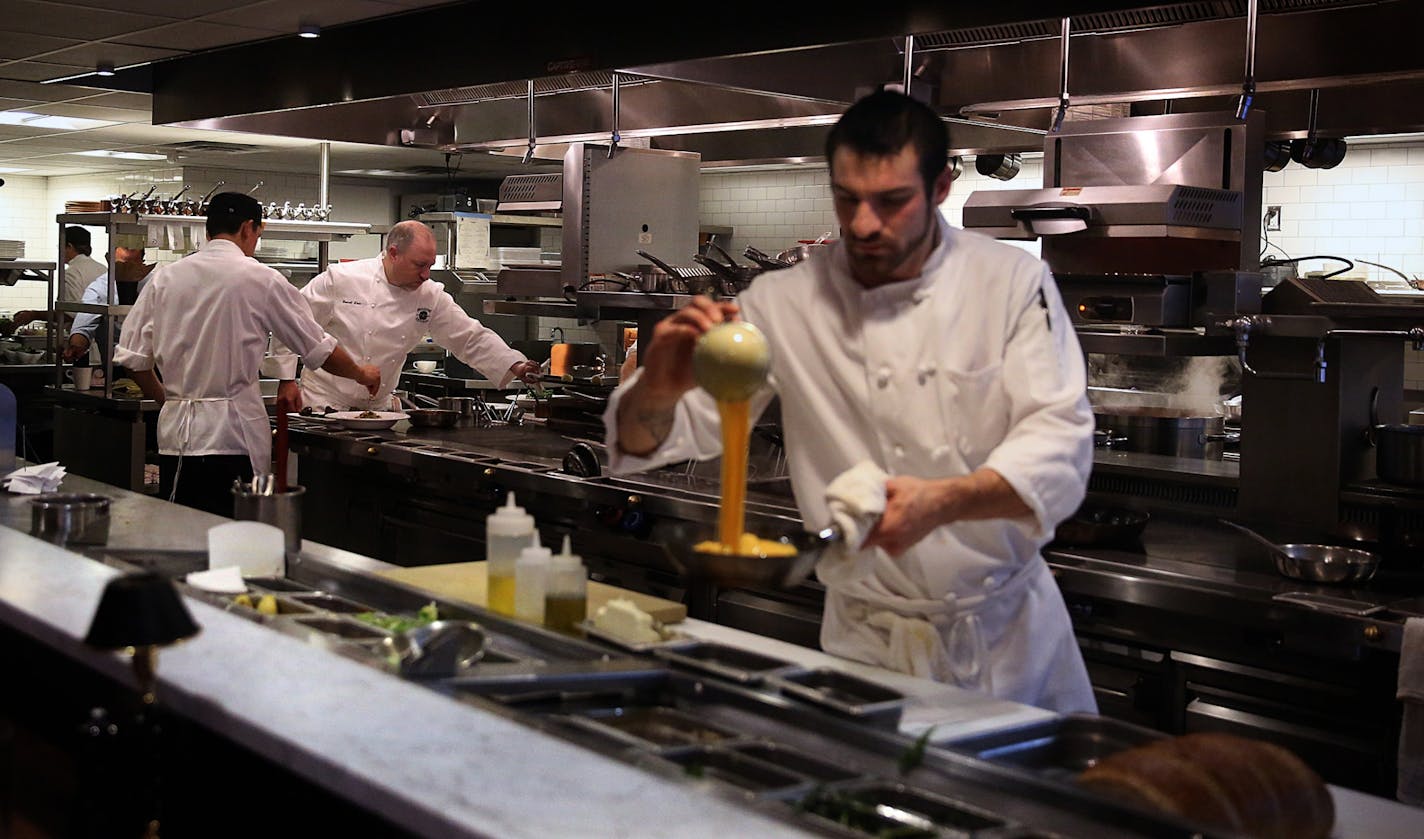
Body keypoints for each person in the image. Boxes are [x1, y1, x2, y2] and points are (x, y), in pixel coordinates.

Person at [604, 89, 1096, 713]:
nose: (863, 224)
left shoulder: (1011, 282)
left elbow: (1058, 442)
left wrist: (942, 501)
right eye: (847, 199)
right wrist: (659, 385)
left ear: (941, 187)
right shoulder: (782, 303)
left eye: (892, 202)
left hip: (1006, 648)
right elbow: (655, 442)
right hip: (864, 644)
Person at [115, 192, 382, 516]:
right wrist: (360, 373)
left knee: (184, 531)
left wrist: (169, 402)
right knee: (232, 536)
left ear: (208, 231)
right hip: (233, 436)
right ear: (247, 228)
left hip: (175, 436)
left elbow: (132, 360)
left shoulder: (164, 277)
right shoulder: (260, 278)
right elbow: (318, 347)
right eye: (258, 233)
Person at [265, 219, 541, 415]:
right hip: (325, 404)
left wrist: (514, 363)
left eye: (430, 266)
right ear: (393, 254)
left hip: (380, 412)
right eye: (419, 265)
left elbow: (469, 336)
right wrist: (286, 379)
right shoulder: (342, 279)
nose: (426, 275)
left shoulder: (429, 295)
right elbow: (291, 322)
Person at [64, 246, 155, 364]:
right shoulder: (100, 287)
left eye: (130, 264)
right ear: (110, 260)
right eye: (120, 266)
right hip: (115, 366)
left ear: (142, 260)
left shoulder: (157, 283)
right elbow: (83, 324)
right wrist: (76, 346)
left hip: (157, 362)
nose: (126, 271)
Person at [10, 226, 110, 327]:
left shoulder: (72, 272)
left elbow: (70, 314)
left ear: (69, 247)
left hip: (83, 336)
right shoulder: (103, 269)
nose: (60, 252)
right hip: (103, 333)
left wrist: (34, 315)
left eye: (60, 247)